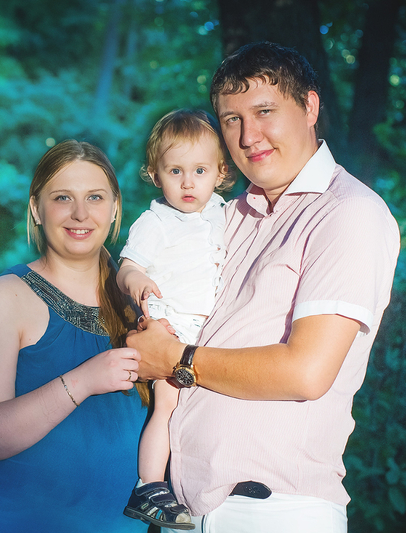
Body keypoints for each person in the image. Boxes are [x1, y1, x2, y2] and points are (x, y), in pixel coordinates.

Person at [127, 41, 400, 533]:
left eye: (264, 111)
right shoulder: (224, 217)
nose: (248, 135)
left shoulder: (347, 212)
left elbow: (305, 373)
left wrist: (174, 358)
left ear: (310, 107)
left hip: (272, 512)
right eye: (231, 119)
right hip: (183, 509)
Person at [0, 140, 149, 532]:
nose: (80, 213)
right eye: (62, 198)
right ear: (35, 209)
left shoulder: (141, 300)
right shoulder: (5, 297)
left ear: (115, 208)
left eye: (95, 197)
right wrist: (85, 380)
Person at [118, 109, 234, 531]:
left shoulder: (223, 212)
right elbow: (127, 267)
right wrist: (136, 280)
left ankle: (205, 481)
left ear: (220, 173)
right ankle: (148, 486)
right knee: (166, 406)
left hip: (208, 335)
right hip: (171, 330)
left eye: (200, 171)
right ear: (155, 174)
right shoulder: (156, 222)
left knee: (207, 409)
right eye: (175, 171)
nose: (188, 183)